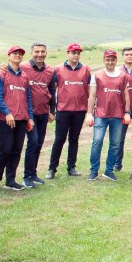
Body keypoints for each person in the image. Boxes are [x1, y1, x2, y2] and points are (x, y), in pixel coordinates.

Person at [0, 46, 34, 191]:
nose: (18, 56)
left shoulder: (25, 76)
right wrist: (7, 112)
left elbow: (28, 98)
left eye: (20, 54)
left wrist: (30, 117)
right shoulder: (0, 74)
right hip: (5, 118)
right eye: (15, 53)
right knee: (5, 149)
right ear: (8, 56)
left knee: (16, 149)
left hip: (21, 118)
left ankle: (11, 180)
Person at [85, 49, 131, 181]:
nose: (110, 62)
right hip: (101, 115)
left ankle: (109, 171)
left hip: (117, 115)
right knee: (97, 142)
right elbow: (92, 95)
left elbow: (126, 95)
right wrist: (89, 113)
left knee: (115, 144)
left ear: (116, 60)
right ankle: (94, 170)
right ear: (104, 60)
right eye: (107, 59)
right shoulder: (97, 75)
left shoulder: (123, 76)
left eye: (112, 59)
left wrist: (127, 112)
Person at [47, 43, 91, 179]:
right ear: (68, 53)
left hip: (79, 111)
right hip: (63, 110)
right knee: (59, 139)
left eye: (78, 53)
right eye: (73, 53)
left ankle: (71, 167)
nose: (76, 55)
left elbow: (90, 90)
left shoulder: (86, 70)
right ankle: (52, 169)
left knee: (74, 139)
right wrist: (52, 110)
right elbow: (52, 90)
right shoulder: (58, 69)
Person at [19, 42, 55, 188]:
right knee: (33, 142)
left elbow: (52, 91)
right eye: (37, 51)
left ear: (46, 53)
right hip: (29, 114)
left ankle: (33, 174)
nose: (40, 54)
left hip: (43, 113)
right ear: (31, 53)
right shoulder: (23, 67)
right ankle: (27, 177)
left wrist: (52, 111)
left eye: (42, 52)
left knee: (39, 143)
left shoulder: (50, 71)